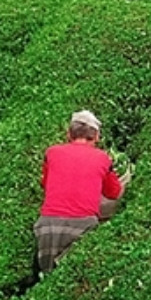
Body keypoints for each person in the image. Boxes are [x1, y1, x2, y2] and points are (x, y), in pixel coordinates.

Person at [33, 110, 130, 274]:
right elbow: (113, 193)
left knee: (48, 276)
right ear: (97, 137)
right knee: (73, 275)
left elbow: (45, 183)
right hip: (84, 225)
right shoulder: (103, 158)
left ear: (68, 134)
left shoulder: (52, 153)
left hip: (47, 225)